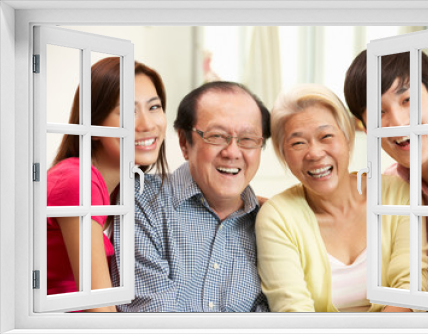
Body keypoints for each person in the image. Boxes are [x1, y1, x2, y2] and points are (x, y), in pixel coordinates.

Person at [255, 84, 428, 312]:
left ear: (347, 139)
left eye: (326, 136)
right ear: (283, 154)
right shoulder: (277, 217)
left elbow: (412, 288)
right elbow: (293, 312)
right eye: (297, 143)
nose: (315, 153)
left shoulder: (396, 194)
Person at [113, 81, 270, 312]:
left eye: (248, 139)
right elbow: (152, 315)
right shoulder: (142, 200)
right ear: (185, 143)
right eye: (216, 136)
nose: (232, 152)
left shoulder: (270, 223)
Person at [47, 57, 168, 312]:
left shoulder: (119, 188)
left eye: (154, 107)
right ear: (94, 122)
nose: (147, 125)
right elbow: (99, 312)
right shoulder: (78, 181)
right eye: (127, 111)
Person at [344, 50, 428, 294]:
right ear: (365, 127)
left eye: (407, 100)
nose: (398, 122)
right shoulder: (389, 191)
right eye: (378, 112)